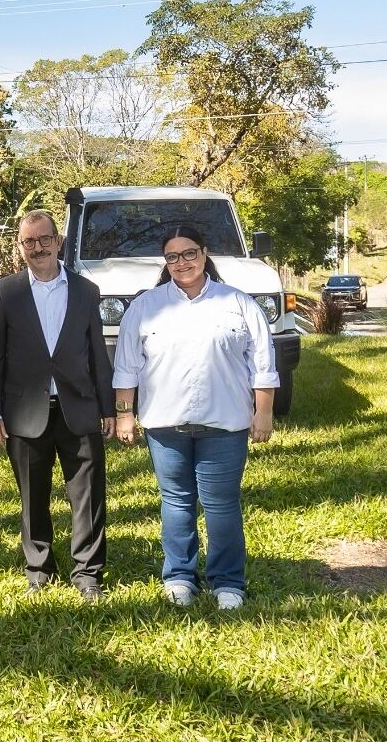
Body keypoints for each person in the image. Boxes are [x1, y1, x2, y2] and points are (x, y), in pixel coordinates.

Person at [112, 221, 278, 611]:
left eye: (189, 253)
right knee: (176, 502)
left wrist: (264, 413)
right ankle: (180, 577)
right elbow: (125, 368)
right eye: (173, 256)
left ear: (204, 254)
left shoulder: (238, 303)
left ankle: (228, 583)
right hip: (165, 426)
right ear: (165, 262)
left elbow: (263, 364)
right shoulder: (145, 306)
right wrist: (124, 416)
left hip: (225, 425)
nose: (182, 262)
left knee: (221, 505)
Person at [0, 209, 116, 601]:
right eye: (29, 242)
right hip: (24, 413)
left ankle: (88, 573)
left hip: (79, 408)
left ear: (58, 242)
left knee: (88, 495)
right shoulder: (6, 292)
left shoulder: (86, 290)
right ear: (19, 247)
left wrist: (108, 408)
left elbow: (97, 354)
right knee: (32, 496)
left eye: (44, 239)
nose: (37, 248)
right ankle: (39, 568)